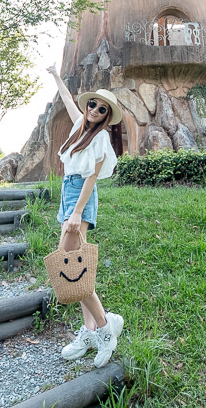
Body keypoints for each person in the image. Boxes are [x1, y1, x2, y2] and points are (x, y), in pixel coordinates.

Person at [47, 63, 124, 367]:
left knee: (72, 266)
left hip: (81, 197)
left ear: (107, 116)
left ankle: (105, 329)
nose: (95, 110)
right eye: (93, 104)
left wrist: (77, 213)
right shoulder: (80, 124)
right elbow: (68, 99)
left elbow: (91, 178)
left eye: (102, 109)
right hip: (68, 194)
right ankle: (90, 330)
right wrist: (55, 74)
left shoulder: (101, 138)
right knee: (73, 265)